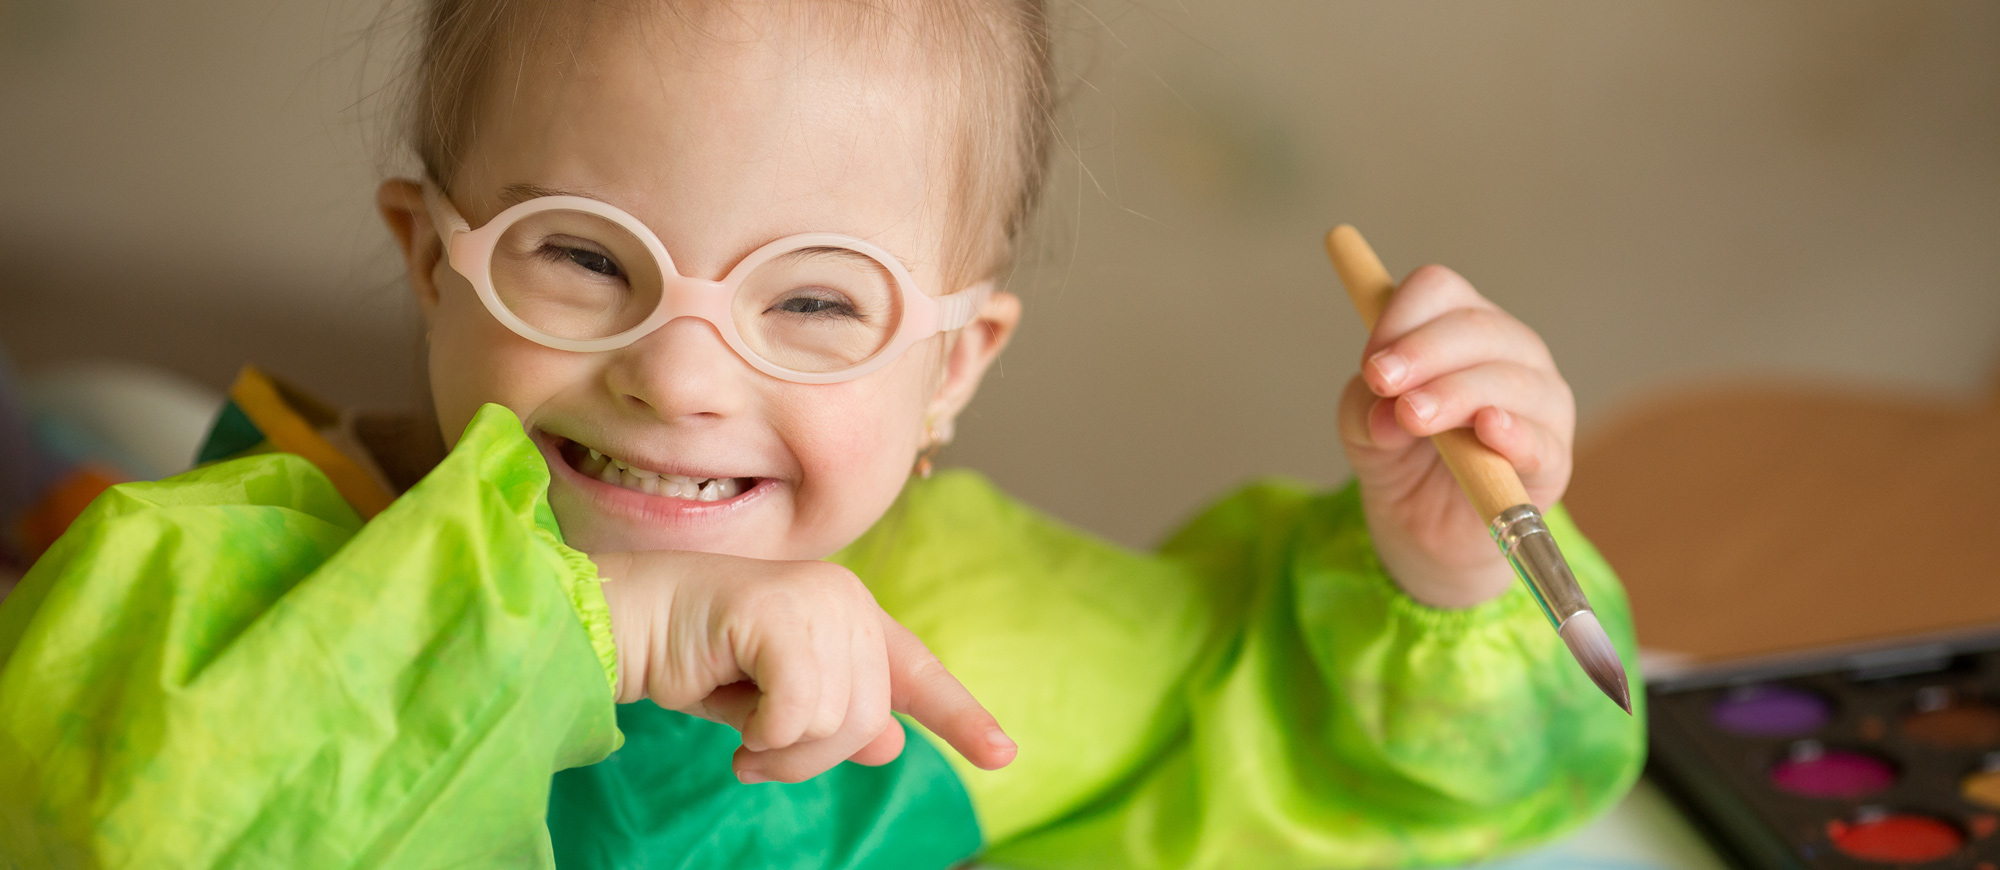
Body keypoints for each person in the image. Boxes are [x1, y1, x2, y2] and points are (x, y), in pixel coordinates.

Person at [0, 1, 1644, 867]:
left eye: (814, 302)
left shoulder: (976, 636)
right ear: (432, 257)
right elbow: (115, 821)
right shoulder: (236, 586)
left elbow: (1334, 775)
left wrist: (1441, 576)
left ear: (951, 367)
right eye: (583, 256)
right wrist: (592, 624)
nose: (684, 378)